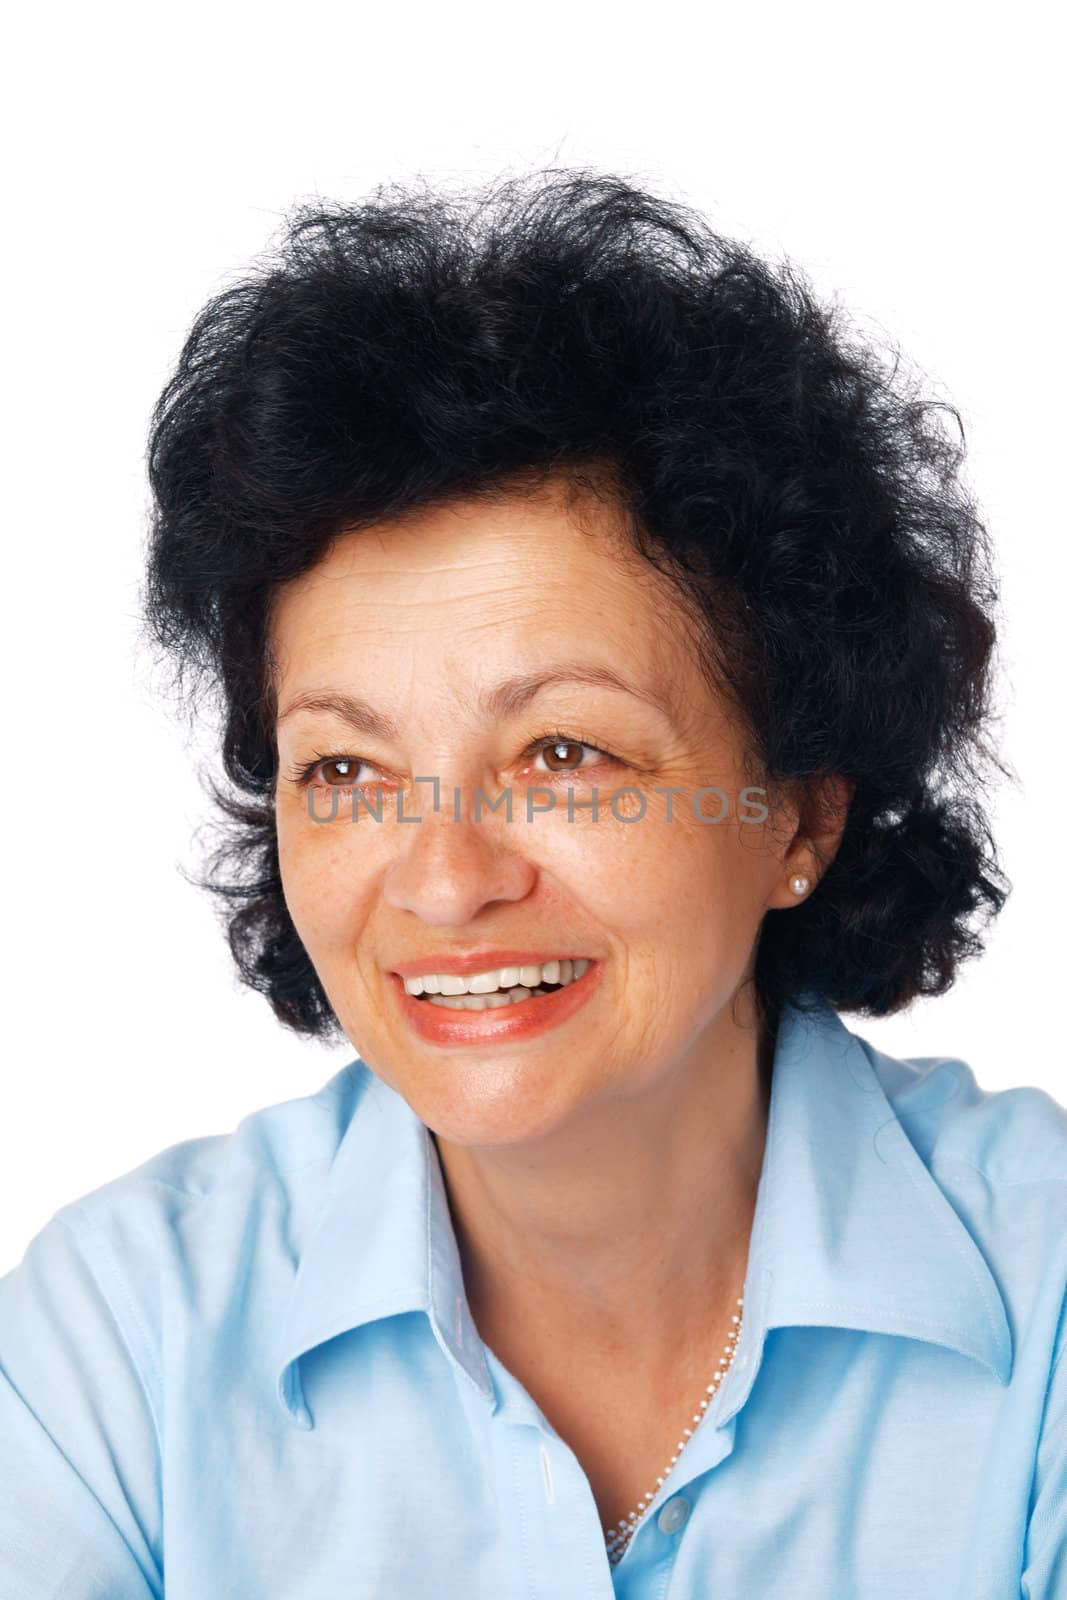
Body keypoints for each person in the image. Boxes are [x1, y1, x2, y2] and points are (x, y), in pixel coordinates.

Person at [1, 167, 1064, 1598]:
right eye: (347, 771)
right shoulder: (115, 1346)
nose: (443, 881)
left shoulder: (1046, 1291)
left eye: (563, 753)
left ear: (801, 815)